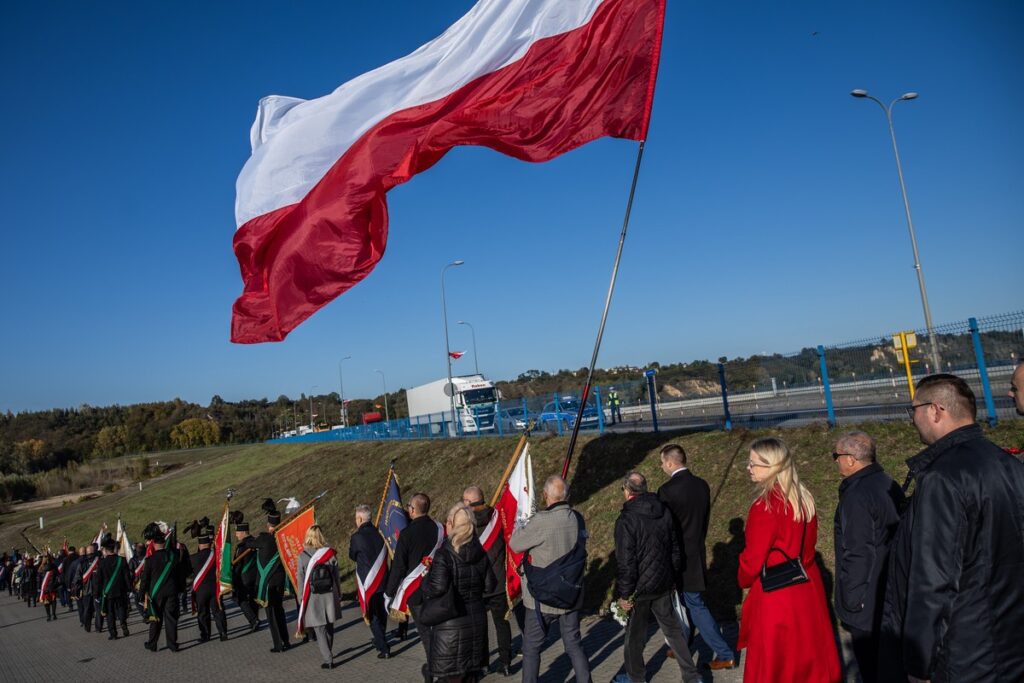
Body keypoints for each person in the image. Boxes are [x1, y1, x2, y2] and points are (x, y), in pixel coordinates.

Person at [881, 374, 1024, 682]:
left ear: (935, 410)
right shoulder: (1010, 464)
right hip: (1010, 644)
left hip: (967, 654)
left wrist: (918, 662)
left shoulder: (942, 478)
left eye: (914, 409)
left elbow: (933, 580)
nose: (912, 419)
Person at [738, 437, 840, 683]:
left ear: (772, 466)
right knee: (809, 659)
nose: (748, 468)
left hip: (778, 594)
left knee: (777, 665)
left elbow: (752, 561)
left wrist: (742, 577)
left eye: (754, 464)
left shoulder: (765, 506)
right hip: (807, 586)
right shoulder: (803, 498)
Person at [612, 472, 701, 683]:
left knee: (635, 637)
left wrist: (625, 594)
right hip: (662, 582)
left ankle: (636, 677)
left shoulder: (626, 519)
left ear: (627, 490)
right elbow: (675, 548)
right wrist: (671, 575)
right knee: (673, 631)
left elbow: (626, 562)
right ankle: (692, 676)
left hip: (639, 588)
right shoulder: (664, 511)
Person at [831, 431, 903, 683]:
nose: (835, 461)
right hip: (890, 590)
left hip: (867, 600)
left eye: (836, 456)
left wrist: (852, 600)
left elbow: (859, 551)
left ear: (850, 459)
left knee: (873, 668)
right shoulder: (885, 481)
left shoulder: (856, 496)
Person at [657, 444, 736, 670]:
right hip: (696, 551)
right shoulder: (702, 485)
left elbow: (665, 529)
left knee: (693, 604)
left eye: (662, 462)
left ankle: (724, 652)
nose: (662, 466)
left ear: (670, 462)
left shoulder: (667, 491)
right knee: (685, 602)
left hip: (678, 558)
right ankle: (682, 644)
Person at [509, 475, 592, 683]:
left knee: (531, 648)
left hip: (541, 597)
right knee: (574, 644)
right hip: (570, 593)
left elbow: (515, 544)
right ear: (567, 495)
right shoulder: (577, 518)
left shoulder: (541, 521)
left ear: (546, 495)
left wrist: (524, 524)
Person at [421, 503, 497, 683]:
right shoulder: (480, 552)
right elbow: (490, 586)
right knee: (469, 676)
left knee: (452, 677)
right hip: (476, 622)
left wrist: (425, 580)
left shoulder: (445, 554)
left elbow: (437, 588)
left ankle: (428, 675)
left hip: (451, 626)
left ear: (452, 525)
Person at [462, 485, 524, 677]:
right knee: (502, 624)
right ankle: (506, 663)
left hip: (476, 585)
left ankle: (483, 664)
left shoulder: (465, 524)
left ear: (467, 503)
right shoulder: (498, 517)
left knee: (479, 628)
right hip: (498, 583)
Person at [385, 492, 445, 683]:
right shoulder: (439, 528)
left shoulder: (407, 533)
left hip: (417, 593)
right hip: (440, 587)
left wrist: (389, 592)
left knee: (426, 634)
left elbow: (399, 566)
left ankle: (434, 671)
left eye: (409, 506)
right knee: (440, 631)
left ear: (412, 509)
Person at [297, 524, 342, 669]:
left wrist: (300, 598)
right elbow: (336, 576)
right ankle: (328, 651)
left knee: (319, 628)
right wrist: (339, 593)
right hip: (329, 594)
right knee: (329, 625)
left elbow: (301, 579)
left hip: (313, 595)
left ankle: (328, 659)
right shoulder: (329, 553)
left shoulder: (303, 556)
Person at [349, 504, 391, 659]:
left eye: (356, 518)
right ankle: (381, 638)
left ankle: (384, 647)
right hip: (382, 578)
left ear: (360, 518)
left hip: (368, 582)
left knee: (372, 614)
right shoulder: (380, 533)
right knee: (381, 612)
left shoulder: (357, 537)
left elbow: (352, 556)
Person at [139, 522, 182, 652]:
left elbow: (145, 579)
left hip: (156, 593)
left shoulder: (150, 560)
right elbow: (179, 573)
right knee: (171, 619)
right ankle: (172, 645)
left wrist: (141, 594)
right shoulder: (173, 557)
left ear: (154, 544)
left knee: (155, 619)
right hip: (171, 591)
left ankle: (152, 644)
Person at [255, 499, 290, 653]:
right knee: (279, 609)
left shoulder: (264, 538)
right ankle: (286, 640)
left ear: (268, 524)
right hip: (281, 578)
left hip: (269, 581)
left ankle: (278, 645)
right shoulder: (283, 536)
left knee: (271, 613)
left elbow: (250, 544)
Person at [189, 520, 228, 643]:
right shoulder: (217, 555)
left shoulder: (193, 558)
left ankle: (205, 635)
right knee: (218, 611)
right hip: (215, 588)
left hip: (200, 590)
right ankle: (223, 633)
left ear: (200, 545)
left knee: (203, 613)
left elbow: (189, 573)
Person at [96, 535, 131, 639]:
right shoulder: (122, 560)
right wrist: (129, 588)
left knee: (110, 613)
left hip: (108, 592)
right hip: (121, 590)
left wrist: (97, 593)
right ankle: (123, 622)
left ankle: (113, 634)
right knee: (121, 608)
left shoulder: (102, 563)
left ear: (106, 550)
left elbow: (99, 580)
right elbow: (127, 576)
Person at [230, 511, 261, 632]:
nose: (236, 535)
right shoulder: (255, 542)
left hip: (244, 577)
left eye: (237, 533)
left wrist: (233, 578)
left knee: (240, 599)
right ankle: (255, 619)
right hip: (256, 576)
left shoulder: (242, 547)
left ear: (243, 533)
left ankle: (253, 620)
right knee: (253, 599)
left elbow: (238, 565)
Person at [74, 543, 100, 631]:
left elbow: (77, 579)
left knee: (87, 610)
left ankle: (87, 626)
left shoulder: (82, 564)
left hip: (86, 591)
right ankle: (98, 627)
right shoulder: (99, 561)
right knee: (98, 610)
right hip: (98, 590)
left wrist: (77, 590)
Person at [39, 555, 60, 621]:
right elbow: (58, 575)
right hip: (53, 586)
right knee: (54, 601)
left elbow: (39, 578)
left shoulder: (41, 568)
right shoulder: (54, 566)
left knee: (46, 602)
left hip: (45, 587)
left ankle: (48, 616)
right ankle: (54, 614)